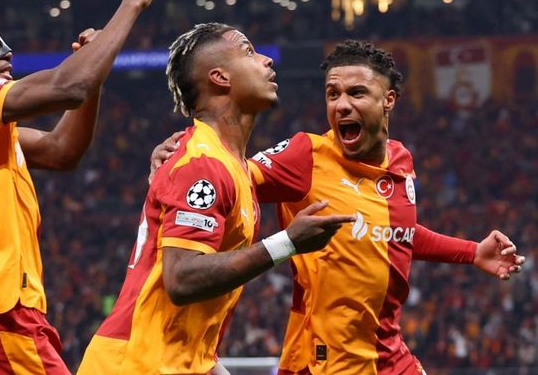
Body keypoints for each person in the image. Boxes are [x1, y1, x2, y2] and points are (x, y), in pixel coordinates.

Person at [150, 40, 525, 374]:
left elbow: (394, 232)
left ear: (388, 100)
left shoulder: (401, 160)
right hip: (324, 363)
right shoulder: (305, 156)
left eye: (357, 93)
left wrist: (471, 252)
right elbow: (229, 176)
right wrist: (185, 158)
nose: (342, 105)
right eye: (333, 94)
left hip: (390, 357)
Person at [0, 0, 163, 374]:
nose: (5, 53)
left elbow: (61, 150)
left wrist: (94, 79)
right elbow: (69, 86)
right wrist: (130, 5)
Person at [77, 23, 355, 375]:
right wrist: (288, 243)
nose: (267, 60)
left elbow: (188, 329)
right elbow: (182, 280)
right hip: (135, 363)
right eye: (249, 52)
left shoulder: (233, 167)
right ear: (220, 77)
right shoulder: (202, 163)